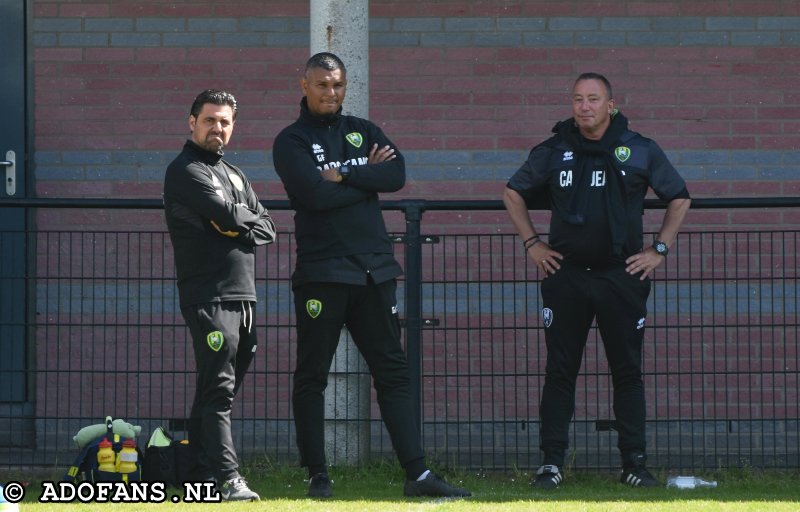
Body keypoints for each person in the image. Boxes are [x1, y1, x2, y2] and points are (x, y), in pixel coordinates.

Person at [272, 52, 470, 499]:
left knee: (393, 373)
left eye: (338, 85)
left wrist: (342, 174)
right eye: (322, 84)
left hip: (375, 273)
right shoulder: (292, 141)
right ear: (303, 85)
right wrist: (366, 175)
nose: (330, 93)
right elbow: (312, 196)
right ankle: (318, 476)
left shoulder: (362, 130)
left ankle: (417, 475)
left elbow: (396, 174)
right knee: (312, 376)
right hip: (323, 274)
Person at [503, 73, 691, 489]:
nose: (584, 106)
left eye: (593, 99)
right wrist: (532, 243)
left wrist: (658, 250)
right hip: (565, 276)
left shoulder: (639, 149)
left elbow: (679, 197)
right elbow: (512, 193)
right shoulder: (554, 150)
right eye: (577, 99)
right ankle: (551, 464)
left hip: (621, 277)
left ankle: (634, 465)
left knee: (627, 372)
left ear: (611, 105)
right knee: (559, 372)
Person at [164, 89, 276, 501]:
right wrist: (234, 219)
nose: (218, 128)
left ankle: (197, 474)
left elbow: (268, 227)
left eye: (225, 121)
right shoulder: (185, 170)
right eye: (210, 120)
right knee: (219, 390)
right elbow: (231, 216)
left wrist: (235, 224)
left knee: (215, 388)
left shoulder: (234, 174)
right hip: (208, 295)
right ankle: (229, 479)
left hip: (243, 297)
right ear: (191, 122)